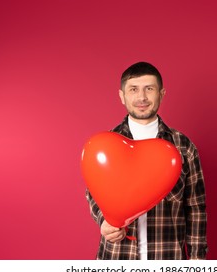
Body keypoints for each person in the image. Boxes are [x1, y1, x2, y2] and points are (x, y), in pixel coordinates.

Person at [85, 61, 207, 260]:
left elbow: (195, 207)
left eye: (149, 89)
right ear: (122, 96)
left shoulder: (183, 146)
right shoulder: (104, 145)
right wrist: (103, 221)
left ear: (161, 93)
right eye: (133, 89)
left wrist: (197, 261)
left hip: (167, 257)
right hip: (116, 258)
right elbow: (93, 193)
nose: (141, 97)